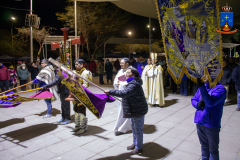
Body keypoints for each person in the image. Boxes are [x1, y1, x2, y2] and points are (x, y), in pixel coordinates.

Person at [104, 67, 148, 154]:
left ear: (133, 75)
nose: (126, 74)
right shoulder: (131, 82)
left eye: (128, 73)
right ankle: (135, 144)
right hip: (134, 109)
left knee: (138, 129)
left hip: (138, 110)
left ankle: (139, 147)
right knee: (134, 128)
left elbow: (124, 93)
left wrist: (110, 91)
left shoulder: (134, 84)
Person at [191, 76, 226, 160]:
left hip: (211, 124)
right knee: (204, 147)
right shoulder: (203, 87)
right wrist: (197, 104)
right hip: (200, 122)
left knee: (213, 151)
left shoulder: (221, 89)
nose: (205, 77)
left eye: (208, 75)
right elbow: (193, 99)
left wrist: (202, 87)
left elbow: (210, 102)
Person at [42, 57, 71, 124]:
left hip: (65, 89)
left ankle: (67, 118)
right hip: (61, 89)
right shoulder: (58, 70)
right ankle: (63, 117)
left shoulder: (62, 70)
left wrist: (47, 86)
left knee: (66, 104)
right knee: (63, 104)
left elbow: (56, 81)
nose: (55, 64)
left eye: (56, 62)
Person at [72, 59, 92, 134]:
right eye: (75, 64)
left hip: (82, 95)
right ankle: (77, 126)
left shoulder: (86, 73)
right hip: (75, 95)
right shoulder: (74, 72)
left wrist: (76, 87)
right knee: (75, 110)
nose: (76, 66)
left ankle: (83, 127)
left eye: (77, 64)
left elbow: (86, 85)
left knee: (81, 111)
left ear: (82, 65)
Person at [113, 58, 132, 136]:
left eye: (122, 63)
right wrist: (116, 83)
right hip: (121, 94)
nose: (120, 64)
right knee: (121, 111)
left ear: (127, 64)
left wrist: (120, 83)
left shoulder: (131, 71)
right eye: (120, 63)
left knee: (126, 112)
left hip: (127, 95)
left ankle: (123, 128)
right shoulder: (120, 71)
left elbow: (131, 82)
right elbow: (117, 80)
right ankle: (121, 126)